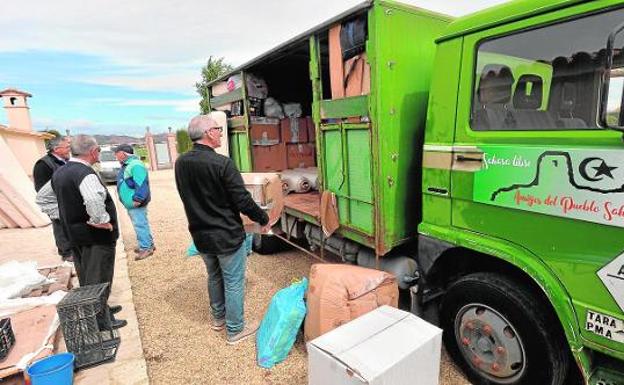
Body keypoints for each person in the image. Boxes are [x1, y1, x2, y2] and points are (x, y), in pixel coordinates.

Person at [175, 115, 269, 345]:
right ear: (208, 133)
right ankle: (235, 329)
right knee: (234, 281)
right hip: (226, 234)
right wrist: (263, 218)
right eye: (218, 129)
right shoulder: (222, 164)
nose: (220, 133)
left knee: (214, 275)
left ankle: (218, 319)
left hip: (200, 233)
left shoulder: (181, 162)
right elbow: (243, 201)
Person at [49, 134, 126, 329]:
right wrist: (102, 222)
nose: (99, 153)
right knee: (99, 278)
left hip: (75, 235)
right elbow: (93, 200)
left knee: (86, 276)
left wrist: (63, 215)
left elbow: (43, 198)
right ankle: (100, 320)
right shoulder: (85, 173)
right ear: (92, 151)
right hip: (95, 236)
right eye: (98, 150)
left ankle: (102, 309)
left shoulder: (60, 172)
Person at [33, 135, 73, 262]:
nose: (69, 149)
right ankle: (66, 253)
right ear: (56, 149)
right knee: (60, 227)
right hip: (57, 203)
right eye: (67, 147)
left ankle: (73, 249)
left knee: (70, 226)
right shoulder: (43, 164)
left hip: (68, 201)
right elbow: (41, 190)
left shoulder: (65, 161)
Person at [113, 144, 155, 261]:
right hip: (132, 203)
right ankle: (148, 244)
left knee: (140, 224)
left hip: (136, 203)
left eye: (117, 153)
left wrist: (138, 199)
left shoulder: (135, 165)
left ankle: (146, 248)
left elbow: (141, 183)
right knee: (141, 223)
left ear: (123, 153)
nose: (116, 156)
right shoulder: (129, 164)